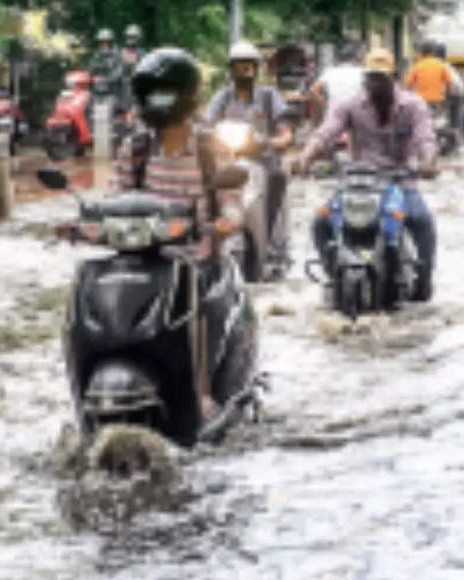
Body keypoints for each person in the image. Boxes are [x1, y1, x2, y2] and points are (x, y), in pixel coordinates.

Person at [115, 48, 246, 421]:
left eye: (165, 93)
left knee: (196, 298)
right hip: (141, 259)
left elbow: (232, 201)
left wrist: (227, 220)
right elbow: (113, 197)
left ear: (186, 97)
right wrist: (82, 223)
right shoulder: (135, 147)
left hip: (197, 259)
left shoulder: (210, 148)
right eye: (151, 93)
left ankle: (201, 392)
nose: (157, 102)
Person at [294, 48, 439, 301]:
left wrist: (428, 161)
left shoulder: (413, 106)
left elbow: (425, 137)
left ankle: (424, 279)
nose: (376, 83)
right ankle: (331, 271)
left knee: (421, 220)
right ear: (364, 79)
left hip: (399, 182)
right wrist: (306, 157)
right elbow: (326, 133)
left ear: (394, 77)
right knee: (320, 222)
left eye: (382, 78)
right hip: (358, 183)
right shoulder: (349, 105)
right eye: (372, 77)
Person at [203, 40, 294, 262]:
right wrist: (206, 136)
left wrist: (277, 141)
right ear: (231, 70)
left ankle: (275, 246)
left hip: (262, 161)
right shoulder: (222, 97)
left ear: (256, 69)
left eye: (248, 66)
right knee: (205, 185)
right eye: (239, 67)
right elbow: (206, 124)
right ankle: (207, 239)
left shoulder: (269, 96)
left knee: (278, 178)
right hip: (228, 162)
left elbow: (285, 132)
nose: (244, 71)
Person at [310, 43, 365, 119]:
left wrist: (326, 105)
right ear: (354, 58)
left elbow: (313, 90)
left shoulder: (330, 72)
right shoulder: (361, 72)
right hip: (355, 115)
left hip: (334, 114)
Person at [433, 41, 464, 142]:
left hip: (441, 96)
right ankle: (457, 134)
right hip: (453, 95)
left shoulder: (432, 65)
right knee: (456, 115)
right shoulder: (447, 66)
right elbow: (455, 84)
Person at [404, 40, 453, 106]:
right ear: (433, 52)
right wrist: (447, 97)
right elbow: (449, 84)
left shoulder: (417, 66)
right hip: (437, 101)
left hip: (420, 101)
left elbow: (408, 85)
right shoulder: (441, 65)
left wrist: (409, 98)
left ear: (422, 52)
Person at [90, 29, 124, 102]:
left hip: (113, 88)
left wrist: (108, 79)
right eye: (102, 42)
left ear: (111, 42)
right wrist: (91, 77)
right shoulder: (97, 55)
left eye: (106, 42)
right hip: (98, 87)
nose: (104, 44)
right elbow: (91, 69)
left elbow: (119, 70)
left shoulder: (117, 54)